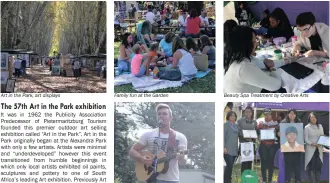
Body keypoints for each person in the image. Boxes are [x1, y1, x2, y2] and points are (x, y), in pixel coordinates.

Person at [129, 104, 187, 183]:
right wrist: (141, 158)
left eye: (164, 114)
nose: (161, 116)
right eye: (159, 114)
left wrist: (182, 157)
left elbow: (183, 162)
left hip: (172, 179)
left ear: (170, 118)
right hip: (151, 178)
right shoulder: (148, 134)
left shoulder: (179, 137)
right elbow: (132, 151)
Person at [224, 26, 282, 93]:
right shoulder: (243, 68)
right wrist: (272, 69)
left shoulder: (233, 57)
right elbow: (276, 85)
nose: (256, 43)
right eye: (254, 41)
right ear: (246, 44)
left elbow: (260, 63)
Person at [257, 108, 279, 183]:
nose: (267, 116)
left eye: (268, 114)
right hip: (263, 145)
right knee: (263, 163)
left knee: (271, 163)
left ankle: (269, 180)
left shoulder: (275, 123)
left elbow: (278, 134)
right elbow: (256, 132)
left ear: (271, 114)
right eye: (265, 114)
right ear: (264, 114)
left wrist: (278, 134)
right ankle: (264, 180)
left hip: (272, 145)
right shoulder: (259, 122)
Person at [281, 108, 303, 183]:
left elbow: (301, 134)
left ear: (296, 115)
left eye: (293, 113)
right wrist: (279, 134)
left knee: (297, 164)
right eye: (290, 113)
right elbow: (279, 133)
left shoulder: (299, 122)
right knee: (288, 164)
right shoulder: (283, 122)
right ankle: (287, 180)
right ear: (288, 114)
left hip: (297, 147)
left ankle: (297, 179)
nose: (292, 115)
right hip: (286, 148)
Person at [304, 112, 325, 182]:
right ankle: (312, 181)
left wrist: (322, 142)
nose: (313, 119)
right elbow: (306, 139)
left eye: (314, 117)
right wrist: (312, 144)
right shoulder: (307, 127)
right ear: (309, 118)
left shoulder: (320, 126)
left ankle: (317, 181)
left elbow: (322, 136)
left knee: (318, 167)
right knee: (311, 168)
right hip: (310, 150)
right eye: (312, 117)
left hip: (319, 150)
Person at [237, 106, 257, 175]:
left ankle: (249, 179)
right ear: (244, 112)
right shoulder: (240, 121)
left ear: (252, 113)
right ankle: (244, 179)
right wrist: (245, 137)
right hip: (244, 144)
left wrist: (254, 137)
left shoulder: (254, 122)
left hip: (251, 145)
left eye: (249, 112)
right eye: (246, 112)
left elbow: (256, 132)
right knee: (244, 163)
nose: (248, 113)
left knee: (249, 163)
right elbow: (238, 131)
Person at [224, 111, 239, 183]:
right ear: (228, 117)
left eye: (234, 116)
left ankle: (228, 180)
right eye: (231, 116)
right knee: (229, 166)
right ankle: (226, 181)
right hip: (227, 149)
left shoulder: (236, 126)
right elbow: (222, 137)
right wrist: (224, 147)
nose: (233, 117)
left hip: (234, 150)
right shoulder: (225, 125)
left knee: (231, 167)